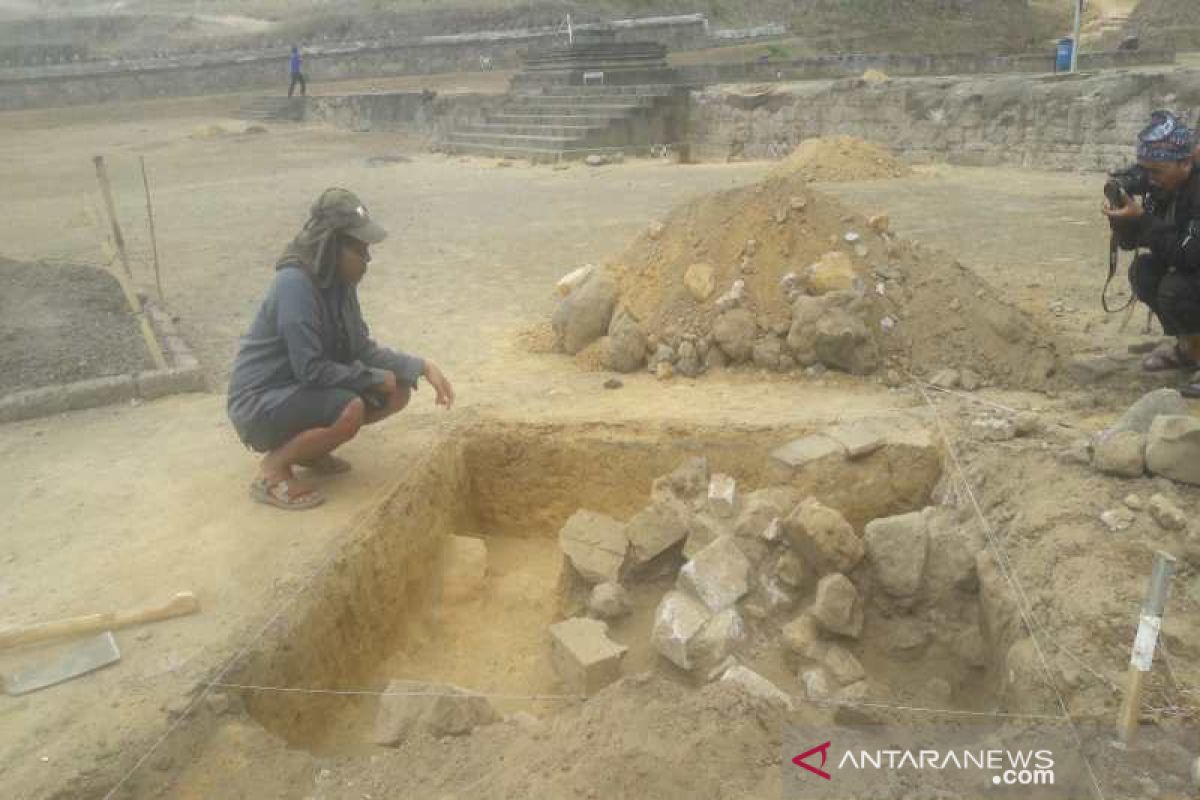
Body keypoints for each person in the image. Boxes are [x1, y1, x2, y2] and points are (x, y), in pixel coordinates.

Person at [227, 188, 455, 510]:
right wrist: (372, 377)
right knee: (350, 408)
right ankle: (273, 470)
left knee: (398, 389)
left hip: (296, 390)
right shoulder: (295, 285)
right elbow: (311, 368)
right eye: (360, 249)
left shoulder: (340, 284)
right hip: (260, 402)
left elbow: (360, 348)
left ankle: (312, 452)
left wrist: (420, 366)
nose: (368, 258)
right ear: (332, 245)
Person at [1104, 110, 1200, 393]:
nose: (1149, 179)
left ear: (1185, 163)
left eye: (1155, 171)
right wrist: (1121, 214)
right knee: (1144, 272)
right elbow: (1130, 244)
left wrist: (1143, 219)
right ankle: (1190, 350)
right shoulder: (1166, 184)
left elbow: (1188, 254)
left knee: (1176, 288)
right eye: (1144, 170)